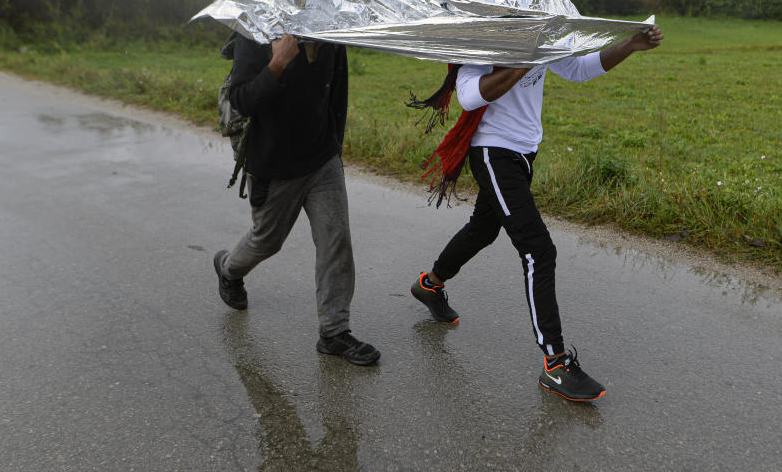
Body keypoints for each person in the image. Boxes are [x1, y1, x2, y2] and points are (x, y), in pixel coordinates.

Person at [410, 24, 664, 400]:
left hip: (524, 151)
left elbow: (578, 69)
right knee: (538, 249)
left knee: (483, 229)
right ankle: (556, 365)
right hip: (492, 153)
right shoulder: (477, 40)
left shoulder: (537, 34)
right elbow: (468, 97)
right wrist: (525, 62)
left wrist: (631, 45)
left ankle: (429, 285)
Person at [213, 32, 380, 366]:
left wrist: (336, 147)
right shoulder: (257, 31)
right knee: (266, 241)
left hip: (321, 159)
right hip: (274, 164)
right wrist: (278, 62)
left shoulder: (330, 30)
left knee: (336, 239)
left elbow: (337, 92)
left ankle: (334, 331)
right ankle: (229, 269)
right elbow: (242, 99)